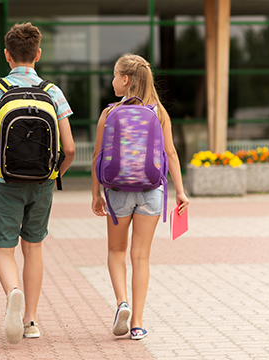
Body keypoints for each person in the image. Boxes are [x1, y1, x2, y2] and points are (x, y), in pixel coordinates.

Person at [0, 23, 76, 344]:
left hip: (5, 181)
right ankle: (31, 320)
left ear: (7, 55)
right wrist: (54, 173)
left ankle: (13, 291)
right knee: (33, 247)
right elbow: (70, 147)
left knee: (2, 248)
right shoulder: (52, 91)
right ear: (38, 54)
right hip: (43, 182)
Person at [91, 54, 190, 340]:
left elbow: (98, 156)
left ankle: (121, 301)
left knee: (116, 252)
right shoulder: (158, 112)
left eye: (113, 76)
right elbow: (171, 154)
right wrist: (181, 191)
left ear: (126, 80)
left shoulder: (109, 113)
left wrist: (96, 193)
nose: (111, 81)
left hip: (118, 192)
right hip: (151, 191)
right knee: (141, 257)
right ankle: (136, 323)